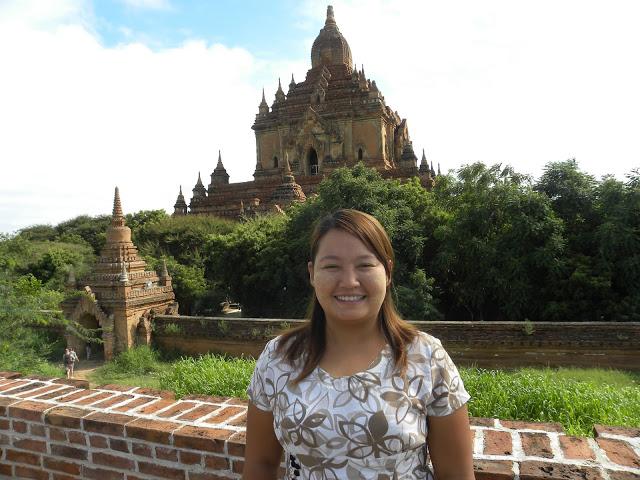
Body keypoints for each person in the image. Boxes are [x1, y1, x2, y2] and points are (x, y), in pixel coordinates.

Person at [243, 209, 474, 480]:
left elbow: (456, 474)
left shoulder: (427, 357)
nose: (349, 282)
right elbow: (260, 464)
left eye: (365, 265)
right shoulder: (279, 357)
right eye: (332, 267)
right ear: (312, 274)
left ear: (387, 272)